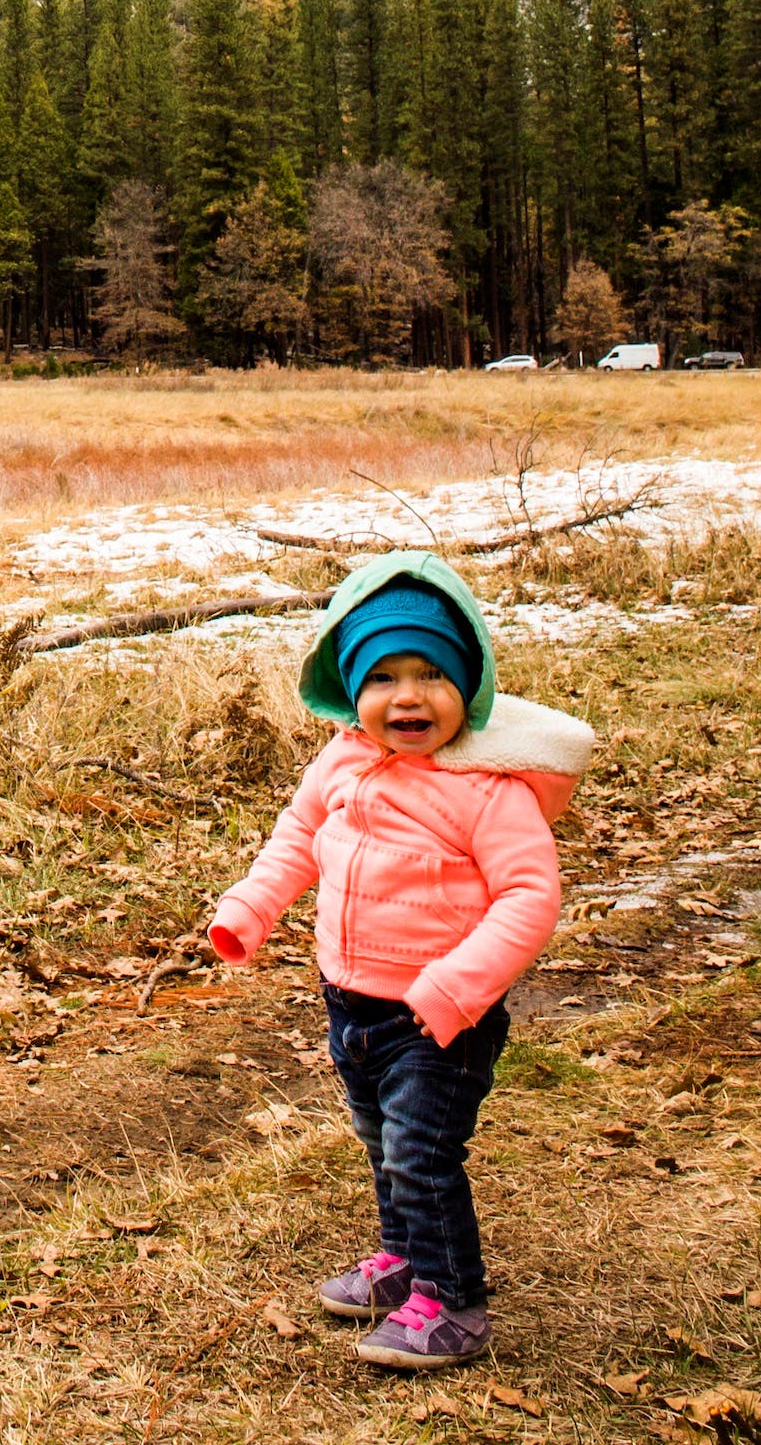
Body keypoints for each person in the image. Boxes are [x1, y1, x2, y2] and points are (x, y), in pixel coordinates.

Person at [206, 552, 595, 1371]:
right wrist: (250, 906)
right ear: (352, 691)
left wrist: (458, 987)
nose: (407, 696)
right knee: (381, 1141)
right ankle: (405, 1257)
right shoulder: (342, 760)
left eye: (430, 675)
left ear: (468, 688)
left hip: (439, 1012)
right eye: (382, 677)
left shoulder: (491, 792)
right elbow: (297, 838)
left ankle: (453, 1305)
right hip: (352, 1001)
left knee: (421, 1151)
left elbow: (529, 897)